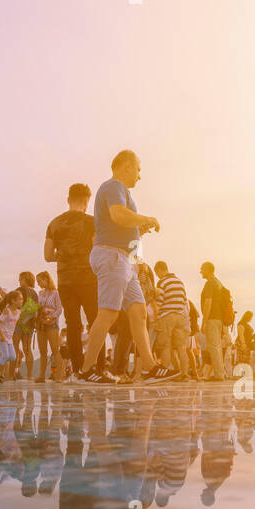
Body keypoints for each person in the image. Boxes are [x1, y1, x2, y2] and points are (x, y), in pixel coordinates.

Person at [76, 150, 178, 384]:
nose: (139, 176)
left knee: (139, 312)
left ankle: (151, 367)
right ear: (126, 166)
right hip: (112, 256)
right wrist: (146, 219)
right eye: (138, 169)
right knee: (109, 313)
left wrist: (138, 229)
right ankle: (87, 370)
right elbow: (119, 215)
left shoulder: (120, 191)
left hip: (124, 261)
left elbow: (119, 222)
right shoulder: (114, 186)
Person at [46, 183, 102, 377]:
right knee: (96, 321)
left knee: (72, 324)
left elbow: (47, 255)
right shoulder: (92, 222)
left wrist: (64, 256)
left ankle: (78, 370)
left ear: (68, 199)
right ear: (87, 201)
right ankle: (97, 366)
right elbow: (97, 249)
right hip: (88, 277)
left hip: (65, 279)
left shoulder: (54, 224)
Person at [154, 261, 190, 375]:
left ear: (160, 270)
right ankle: (184, 373)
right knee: (181, 347)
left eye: (157, 273)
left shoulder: (162, 282)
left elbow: (159, 302)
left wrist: (156, 318)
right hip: (180, 317)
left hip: (167, 316)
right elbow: (185, 301)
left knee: (165, 345)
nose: (157, 276)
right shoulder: (180, 282)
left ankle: (164, 371)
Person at [199, 262, 231, 381]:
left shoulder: (210, 283)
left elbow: (208, 303)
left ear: (208, 270)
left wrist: (204, 321)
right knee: (216, 346)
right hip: (219, 319)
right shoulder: (218, 283)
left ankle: (218, 375)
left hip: (212, 318)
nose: (200, 271)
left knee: (214, 347)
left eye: (202, 269)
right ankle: (220, 373)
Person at [34, 270, 63, 382]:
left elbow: (59, 309)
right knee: (43, 351)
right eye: (38, 281)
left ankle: (59, 376)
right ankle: (41, 376)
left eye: (40, 281)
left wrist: (52, 317)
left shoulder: (56, 293)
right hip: (41, 323)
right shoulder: (40, 293)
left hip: (52, 324)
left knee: (55, 350)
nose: (39, 283)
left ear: (47, 280)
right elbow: (38, 307)